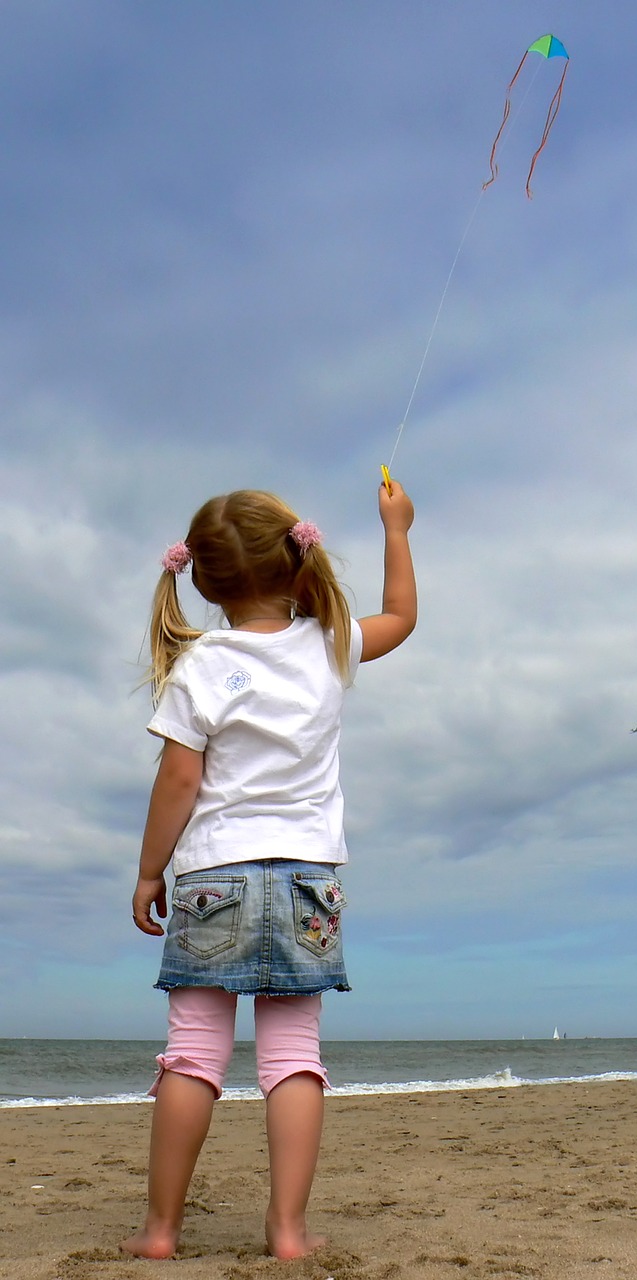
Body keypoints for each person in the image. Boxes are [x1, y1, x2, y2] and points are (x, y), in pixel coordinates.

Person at [121, 476, 416, 1261]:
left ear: (205, 583)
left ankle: (160, 1230)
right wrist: (396, 528)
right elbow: (402, 620)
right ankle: (286, 1231)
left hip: (215, 873)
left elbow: (178, 781)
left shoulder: (200, 665)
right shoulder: (328, 643)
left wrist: (150, 871)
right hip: (305, 879)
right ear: (296, 562)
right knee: (293, 1059)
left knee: (192, 1054)